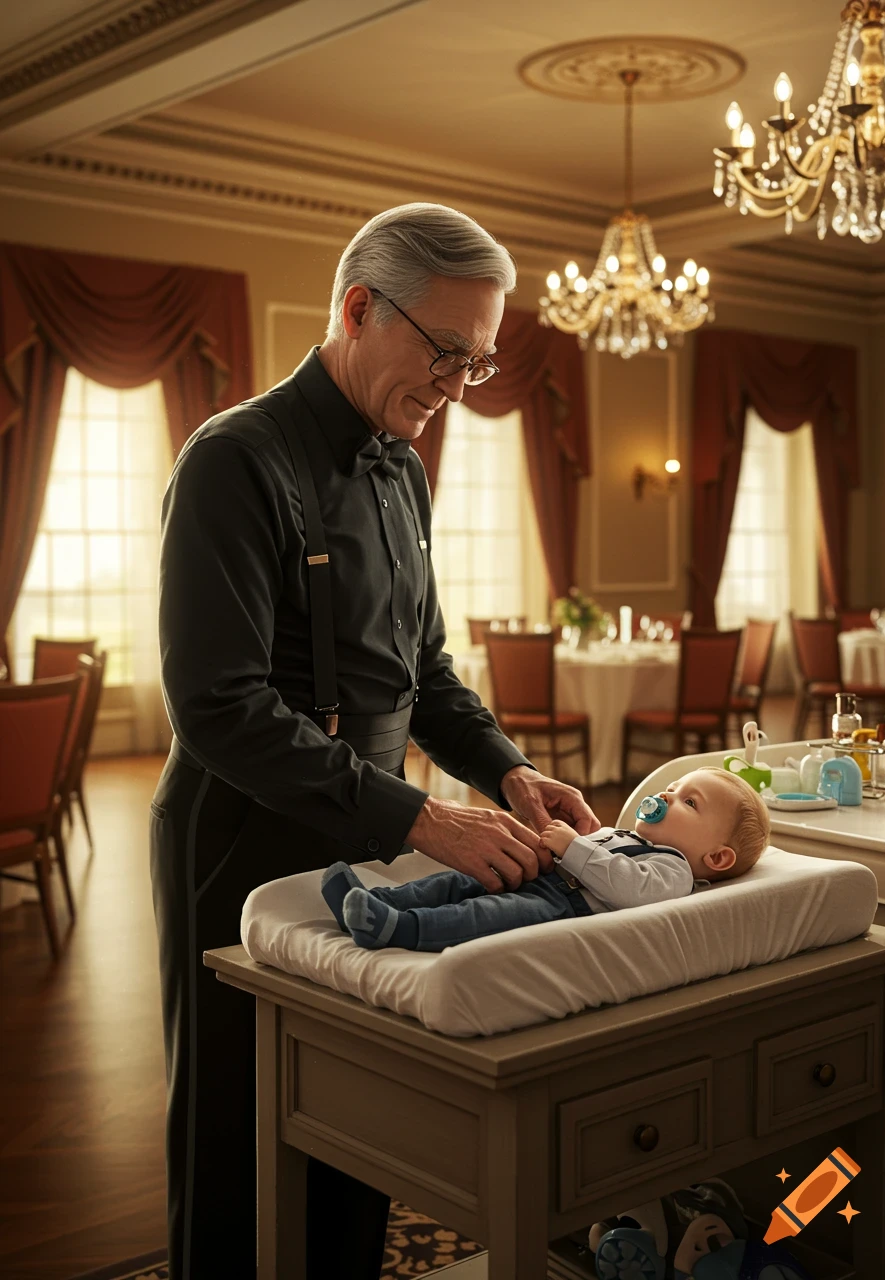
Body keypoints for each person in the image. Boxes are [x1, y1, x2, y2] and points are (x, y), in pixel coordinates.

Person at [150, 202, 599, 1280]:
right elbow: (217, 706)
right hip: (238, 841)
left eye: (477, 364)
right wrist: (424, 818)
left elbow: (423, 670)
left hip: (368, 836)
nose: (458, 387)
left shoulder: (404, 468)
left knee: (350, 1120)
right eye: (447, 353)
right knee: (238, 1134)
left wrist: (506, 771)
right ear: (358, 309)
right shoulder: (234, 460)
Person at [321, 768, 770, 952]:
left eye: (689, 802)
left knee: (482, 914)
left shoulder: (675, 870)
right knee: (456, 882)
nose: (667, 796)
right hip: (542, 875)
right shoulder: (625, 835)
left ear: (717, 856)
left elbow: (628, 890)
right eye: (672, 788)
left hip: (558, 904)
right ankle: (379, 902)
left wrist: (575, 847)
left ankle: (401, 928)